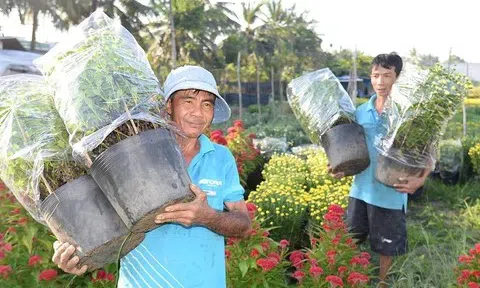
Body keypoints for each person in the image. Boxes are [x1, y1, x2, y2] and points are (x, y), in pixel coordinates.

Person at [51, 65, 252, 287]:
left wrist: (207, 217)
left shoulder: (221, 157)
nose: (198, 113)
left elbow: (244, 225)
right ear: (168, 106)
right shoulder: (130, 155)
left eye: (207, 104)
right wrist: (72, 250)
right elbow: (88, 214)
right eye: (188, 101)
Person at [329, 53, 430, 287]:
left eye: (387, 75)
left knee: (387, 246)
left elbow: (429, 153)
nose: (381, 82)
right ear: (370, 78)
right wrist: (340, 169)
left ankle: (383, 283)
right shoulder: (360, 112)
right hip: (360, 190)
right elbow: (353, 151)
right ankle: (348, 279)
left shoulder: (407, 114)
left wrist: (420, 180)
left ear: (397, 78)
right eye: (376, 75)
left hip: (391, 193)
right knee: (350, 240)